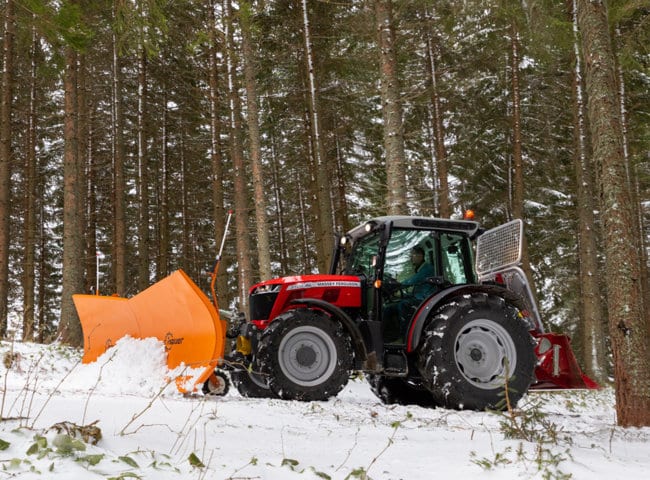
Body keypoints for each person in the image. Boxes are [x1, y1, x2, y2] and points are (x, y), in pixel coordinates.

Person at [383, 246, 435, 341]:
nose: (411, 258)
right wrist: (402, 293)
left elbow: (412, 281)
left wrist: (398, 285)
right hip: (417, 297)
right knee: (388, 309)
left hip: (424, 300)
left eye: (413, 255)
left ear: (420, 256)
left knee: (403, 305)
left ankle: (405, 337)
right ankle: (387, 336)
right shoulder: (420, 269)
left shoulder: (427, 269)